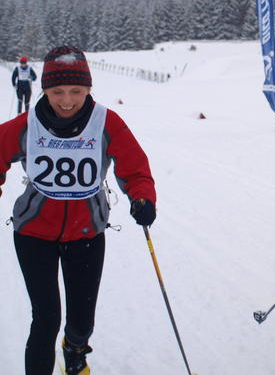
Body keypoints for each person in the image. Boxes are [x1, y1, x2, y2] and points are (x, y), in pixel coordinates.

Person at [0, 46, 157, 375]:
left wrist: (142, 198)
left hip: (87, 234)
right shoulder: (28, 125)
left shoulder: (105, 122)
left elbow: (135, 168)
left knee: (82, 321)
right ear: (45, 90)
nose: (67, 100)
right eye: (57, 91)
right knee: (46, 319)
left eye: (76, 91)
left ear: (88, 88)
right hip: (33, 234)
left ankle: (74, 351)